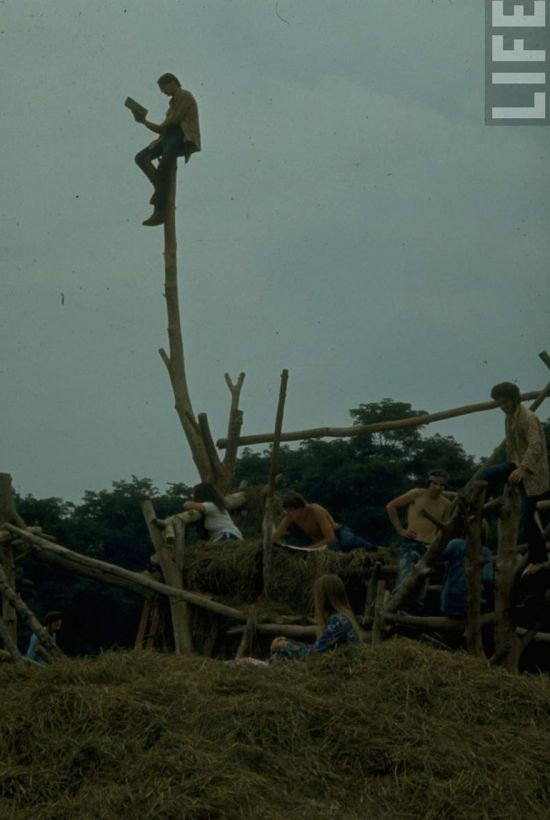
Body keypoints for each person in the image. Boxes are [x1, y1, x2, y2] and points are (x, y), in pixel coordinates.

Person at [481, 382, 549, 576]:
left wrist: (522, 468)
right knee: (488, 474)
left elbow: (535, 446)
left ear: (514, 399)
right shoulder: (509, 417)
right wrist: (513, 468)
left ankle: (539, 560)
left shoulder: (528, 418)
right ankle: (482, 510)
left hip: (533, 472)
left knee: (527, 517)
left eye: (505, 402)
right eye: (499, 403)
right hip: (516, 463)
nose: (502, 406)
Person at [133, 73, 201, 226]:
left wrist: (153, 124)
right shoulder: (172, 106)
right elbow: (163, 130)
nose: (163, 92)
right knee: (141, 158)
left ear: (172, 82)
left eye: (164, 88)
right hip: (168, 136)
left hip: (181, 136)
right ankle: (159, 190)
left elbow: (173, 122)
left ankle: (159, 211)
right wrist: (144, 122)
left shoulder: (185, 96)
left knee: (165, 165)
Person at [386, 470, 451, 613]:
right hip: (412, 542)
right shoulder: (417, 494)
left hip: (430, 547)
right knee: (404, 580)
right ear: (429, 483)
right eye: (435, 484)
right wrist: (400, 530)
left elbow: (444, 527)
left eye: (442, 485)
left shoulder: (446, 503)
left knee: (421, 586)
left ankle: (411, 622)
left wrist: (438, 543)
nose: (438, 487)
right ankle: (390, 614)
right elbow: (391, 506)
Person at [270, 574, 362, 660]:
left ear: (324, 597)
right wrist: (290, 643)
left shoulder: (337, 621)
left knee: (280, 651)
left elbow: (314, 654)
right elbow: (319, 647)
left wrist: (284, 645)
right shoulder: (343, 618)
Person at [271, 491, 375, 552]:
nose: (289, 514)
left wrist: (308, 548)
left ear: (300, 508)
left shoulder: (316, 510)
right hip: (323, 542)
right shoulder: (290, 517)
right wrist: (267, 544)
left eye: (291, 511)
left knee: (348, 542)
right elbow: (277, 534)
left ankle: (374, 549)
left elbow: (331, 537)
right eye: (288, 511)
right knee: (334, 549)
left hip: (337, 533)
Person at [440, 522, 493, 618]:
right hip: (471, 606)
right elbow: (487, 578)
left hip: (449, 604)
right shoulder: (485, 552)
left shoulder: (454, 544)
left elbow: (439, 557)